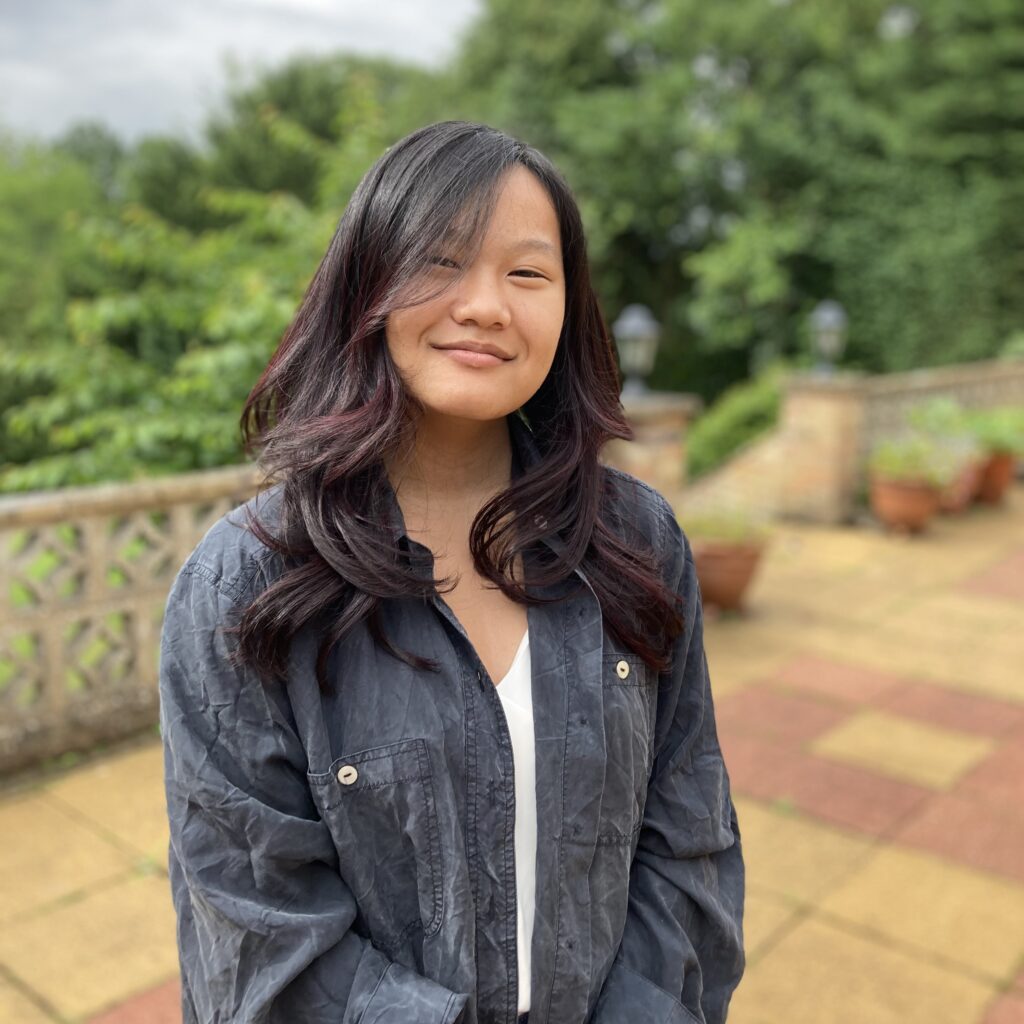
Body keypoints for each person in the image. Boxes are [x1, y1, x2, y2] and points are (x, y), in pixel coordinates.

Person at [158, 120, 745, 1024]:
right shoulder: (250, 581)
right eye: (437, 261)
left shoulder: (635, 540)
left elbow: (689, 839)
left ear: (567, 305)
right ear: (367, 282)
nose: (484, 305)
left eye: (527, 273)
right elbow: (260, 935)